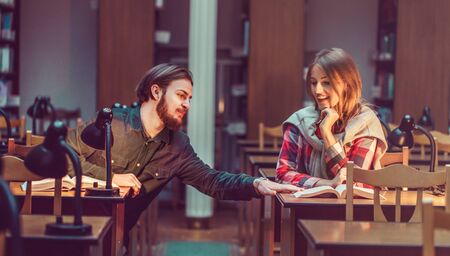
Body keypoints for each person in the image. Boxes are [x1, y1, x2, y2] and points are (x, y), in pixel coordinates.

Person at [67, 63, 299, 247]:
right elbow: (64, 158)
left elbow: (212, 181)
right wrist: (110, 178)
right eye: (181, 95)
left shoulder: (177, 145)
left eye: (190, 98)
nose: (187, 104)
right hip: (72, 227)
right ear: (156, 91)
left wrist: (256, 184)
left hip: (116, 237)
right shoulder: (112, 122)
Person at [276, 48, 387, 189]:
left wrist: (326, 133)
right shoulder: (300, 121)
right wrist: (325, 184)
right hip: (308, 207)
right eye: (313, 82)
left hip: (355, 209)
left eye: (326, 82)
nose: (317, 91)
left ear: (347, 85)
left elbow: (352, 182)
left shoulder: (365, 123)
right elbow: (282, 174)